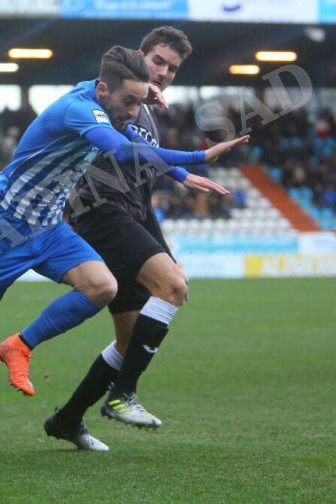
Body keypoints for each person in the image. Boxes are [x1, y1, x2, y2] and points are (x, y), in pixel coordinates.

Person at [0, 46, 247, 430]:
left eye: (139, 103)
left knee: (103, 287)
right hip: (4, 231)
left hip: (50, 227)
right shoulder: (79, 109)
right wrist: (198, 157)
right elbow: (124, 153)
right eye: (129, 102)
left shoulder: (106, 104)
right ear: (104, 90)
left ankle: (19, 345)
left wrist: (179, 174)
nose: (134, 111)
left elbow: (133, 140)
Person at [45, 27, 234, 450]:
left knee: (131, 340)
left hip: (133, 212)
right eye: (158, 62)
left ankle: (67, 419)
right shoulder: (113, 101)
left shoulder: (144, 111)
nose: (163, 72)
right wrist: (192, 160)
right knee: (171, 286)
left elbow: (142, 166)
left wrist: (180, 177)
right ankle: (122, 396)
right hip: (100, 211)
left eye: (172, 68)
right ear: (138, 56)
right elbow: (115, 136)